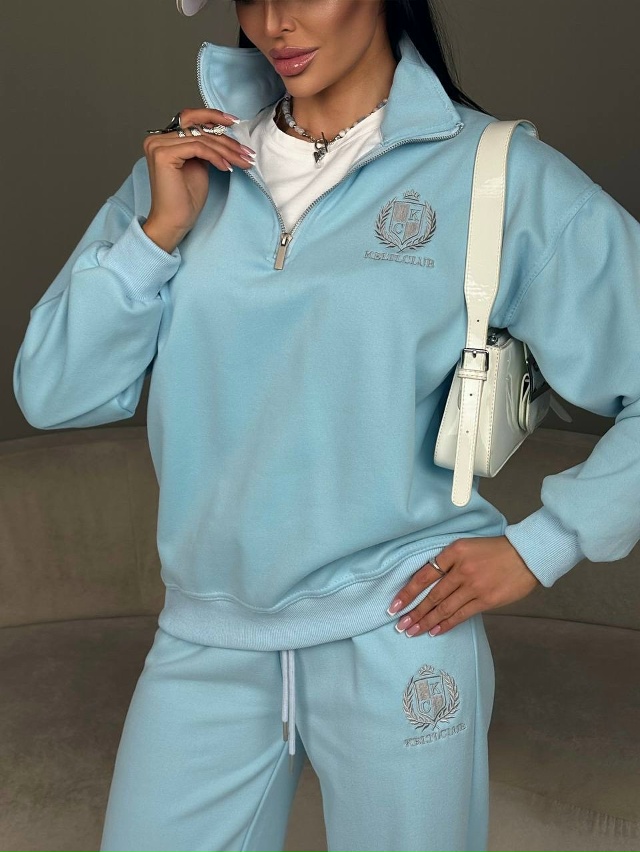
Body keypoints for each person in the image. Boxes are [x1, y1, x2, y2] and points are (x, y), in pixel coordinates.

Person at [12, 1, 640, 850]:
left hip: (403, 629)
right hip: (206, 635)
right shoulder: (190, 166)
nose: (275, 21)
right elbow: (54, 390)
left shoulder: (498, 176)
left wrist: (544, 546)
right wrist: (156, 235)